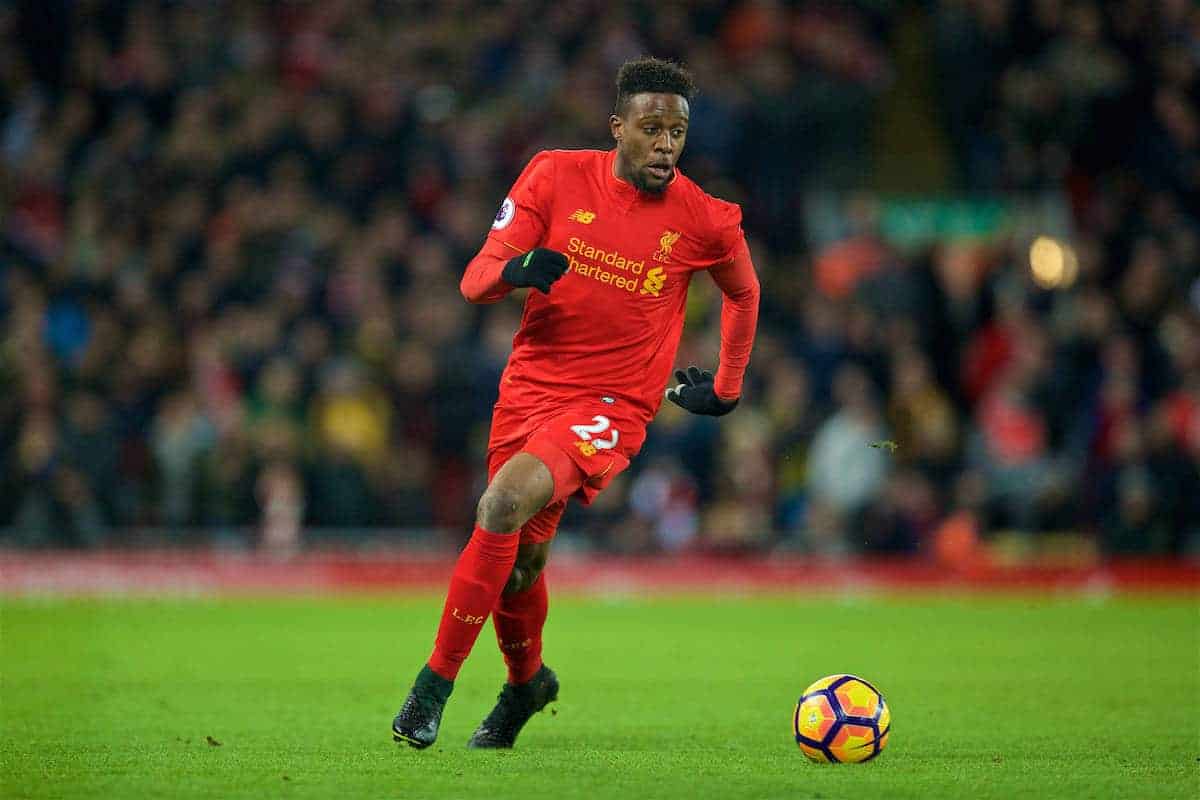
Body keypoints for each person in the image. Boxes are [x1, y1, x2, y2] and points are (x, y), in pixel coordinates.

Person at [392, 57, 761, 750]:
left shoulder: (705, 218)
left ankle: (429, 690)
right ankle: (526, 684)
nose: (665, 145)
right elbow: (474, 281)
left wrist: (727, 384)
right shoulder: (554, 176)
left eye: (677, 132)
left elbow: (744, 292)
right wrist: (514, 271)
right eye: (651, 128)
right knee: (518, 568)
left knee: (500, 505)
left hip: (614, 403)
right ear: (617, 128)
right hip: (530, 389)